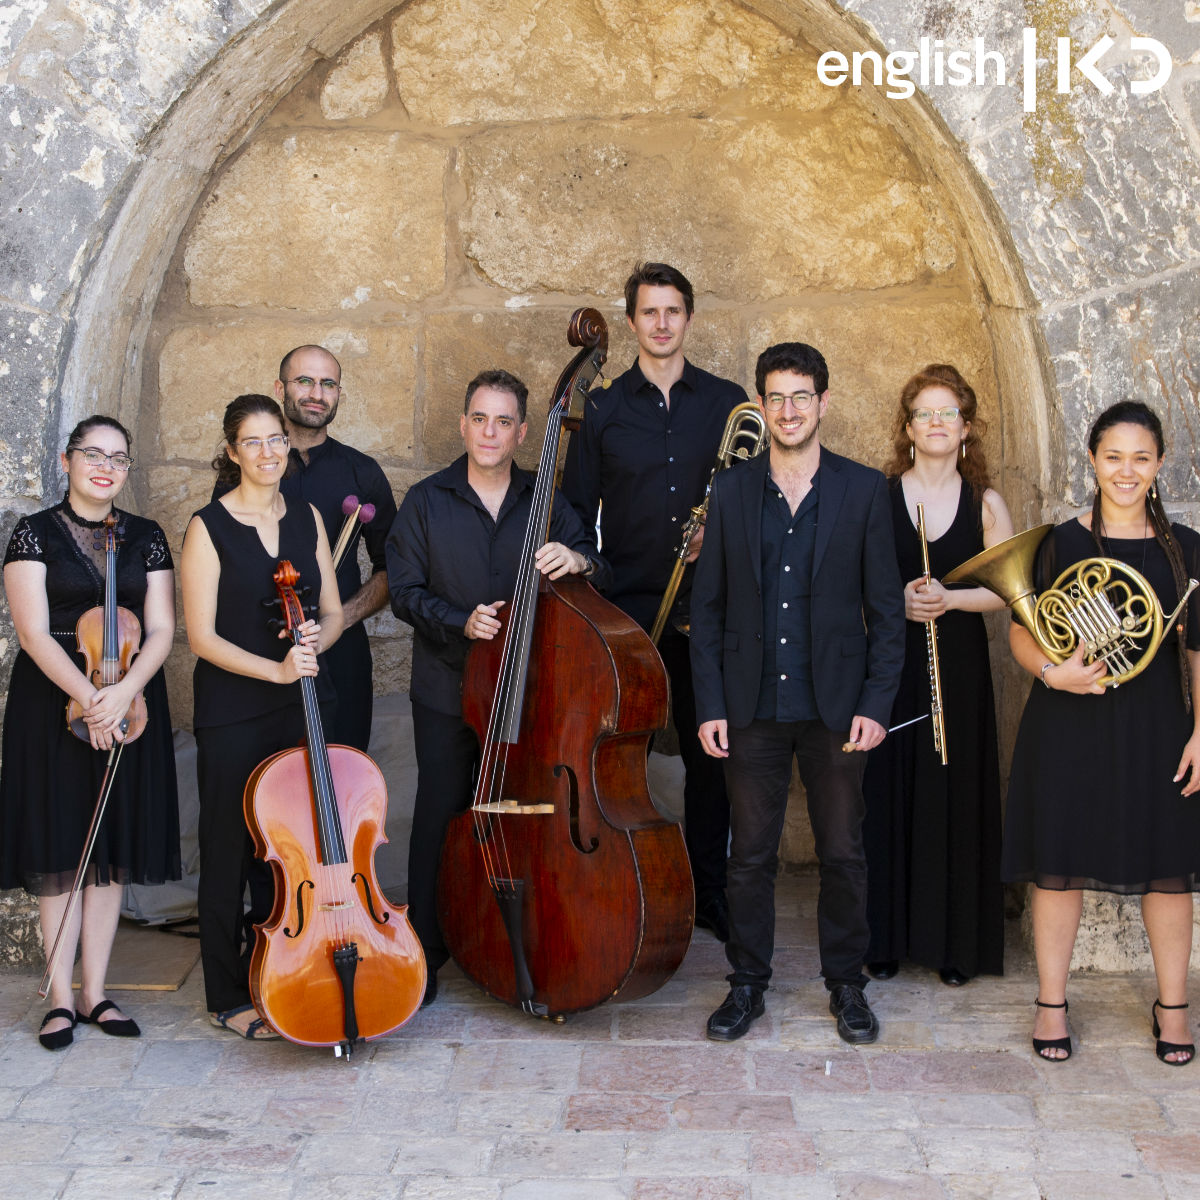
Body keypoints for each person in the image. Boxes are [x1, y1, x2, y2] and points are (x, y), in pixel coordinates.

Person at [691, 341, 904, 1045]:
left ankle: (847, 984)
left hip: (838, 709)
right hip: (751, 707)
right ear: (759, 406)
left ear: (824, 403)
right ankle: (747, 983)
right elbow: (711, 610)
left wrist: (876, 705)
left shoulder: (865, 490)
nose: (788, 410)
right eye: (775, 398)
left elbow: (886, 611)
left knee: (843, 851)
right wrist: (711, 704)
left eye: (801, 397)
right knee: (749, 854)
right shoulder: (729, 491)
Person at [386, 369, 608, 1005]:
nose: (490, 431)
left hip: (529, 697)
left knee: (528, 820)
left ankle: (519, 934)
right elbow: (403, 594)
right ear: (463, 425)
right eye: (479, 418)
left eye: (504, 421)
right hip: (448, 689)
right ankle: (427, 945)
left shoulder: (547, 499)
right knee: (442, 812)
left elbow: (601, 562)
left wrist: (580, 560)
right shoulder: (426, 501)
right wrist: (462, 621)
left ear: (522, 432)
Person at [1003, 400, 1200, 1065]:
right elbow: (1022, 632)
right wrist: (1052, 674)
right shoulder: (1062, 542)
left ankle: (1173, 1007)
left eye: (1140, 458)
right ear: (1092, 459)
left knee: (1169, 871)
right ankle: (1051, 1002)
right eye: (1113, 457)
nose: (1126, 471)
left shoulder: (1188, 551)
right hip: (1068, 721)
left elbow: (1197, 651)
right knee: (1058, 867)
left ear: (1160, 464)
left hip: (1158, 727)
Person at [562, 262, 748, 942]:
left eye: (673, 311)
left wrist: (719, 536)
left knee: (713, 759)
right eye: (649, 312)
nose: (662, 323)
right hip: (629, 611)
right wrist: (586, 576)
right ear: (634, 321)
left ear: (688, 320)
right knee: (620, 755)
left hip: (711, 611)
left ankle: (709, 892)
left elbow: (759, 504)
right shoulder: (605, 408)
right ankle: (620, 877)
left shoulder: (729, 404)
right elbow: (576, 510)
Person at [1, 416, 180, 1049]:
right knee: (62, 855)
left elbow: (160, 629)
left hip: (130, 697)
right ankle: (58, 1001)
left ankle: (96, 992)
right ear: (67, 459)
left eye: (118, 458)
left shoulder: (148, 537)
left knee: (110, 856)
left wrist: (123, 695)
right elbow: (31, 632)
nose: (105, 466)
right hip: (53, 703)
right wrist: (89, 699)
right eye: (92, 454)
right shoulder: (33, 533)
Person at [181, 394, 343, 1039]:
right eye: (253, 442)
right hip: (234, 709)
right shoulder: (207, 526)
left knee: (292, 852)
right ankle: (227, 995)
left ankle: (288, 970)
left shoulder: (306, 516)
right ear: (232, 452)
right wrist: (274, 668)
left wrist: (311, 647)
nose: (269, 451)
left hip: (303, 703)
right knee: (228, 850)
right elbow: (200, 638)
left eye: (276, 439)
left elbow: (330, 612)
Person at [862, 365, 1013, 986]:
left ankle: (955, 945)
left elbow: (1007, 593)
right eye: (924, 413)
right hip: (894, 664)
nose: (935, 423)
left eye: (947, 413)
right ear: (907, 426)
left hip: (958, 664)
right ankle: (887, 940)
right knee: (891, 791)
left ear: (966, 428)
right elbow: (858, 582)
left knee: (954, 792)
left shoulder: (988, 504)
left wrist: (948, 599)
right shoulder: (880, 495)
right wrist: (897, 602)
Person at [212, 345, 394, 752]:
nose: (316, 392)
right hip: (259, 655)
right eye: (305, 381)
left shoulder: (363, 472)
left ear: (339, 394)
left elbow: (393, 567)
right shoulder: (249, 468)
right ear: (281, 387)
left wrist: (339, 620)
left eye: (328, 383)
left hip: (340, 652)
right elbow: (224, 560)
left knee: (342, 783)